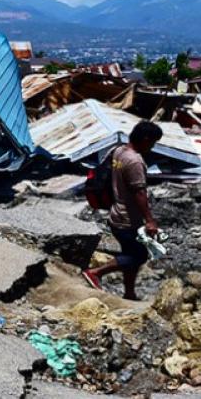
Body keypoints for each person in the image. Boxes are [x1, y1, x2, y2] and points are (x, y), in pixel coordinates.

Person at [82, 121, 163, 301]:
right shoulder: (134, 161)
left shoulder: (119, 151)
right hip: (128, 219)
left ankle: (129, 293)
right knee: (139, 255)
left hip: (116, 213)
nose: (152, 147)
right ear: (145, 139)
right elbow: (139, 193)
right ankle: (96, 272)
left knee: (130, 253)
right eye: (152, 143)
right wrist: (149, 220)